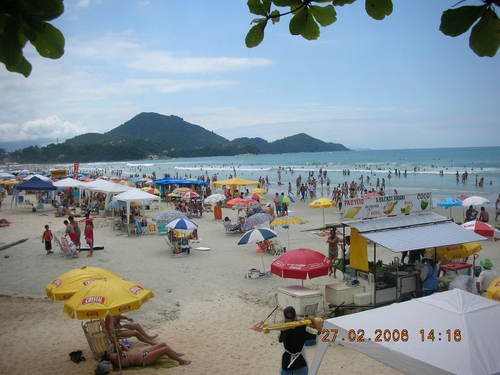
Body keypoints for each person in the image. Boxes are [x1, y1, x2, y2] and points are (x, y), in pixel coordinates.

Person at [278, 306, 321, 375]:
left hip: (286, 363)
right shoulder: (302, 328)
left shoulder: (284, 328)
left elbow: (280, 340)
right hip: (300, 363)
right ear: (295, 315)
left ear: (285, 317)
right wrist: (313, 320)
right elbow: (318, 332)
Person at [107, 342, 191, 368]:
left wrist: (122, 344)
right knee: (165, 349)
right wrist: (116, 343)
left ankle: (175, 354)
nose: (112, 354)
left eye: (112, 353)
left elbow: (127, 351)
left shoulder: (119, 356)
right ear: (111, 359)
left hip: (143, 352)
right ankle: (181, 361)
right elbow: (119, 352)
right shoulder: (119, 362)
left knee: (163, 344)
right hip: (144, 359)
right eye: (111, 355)